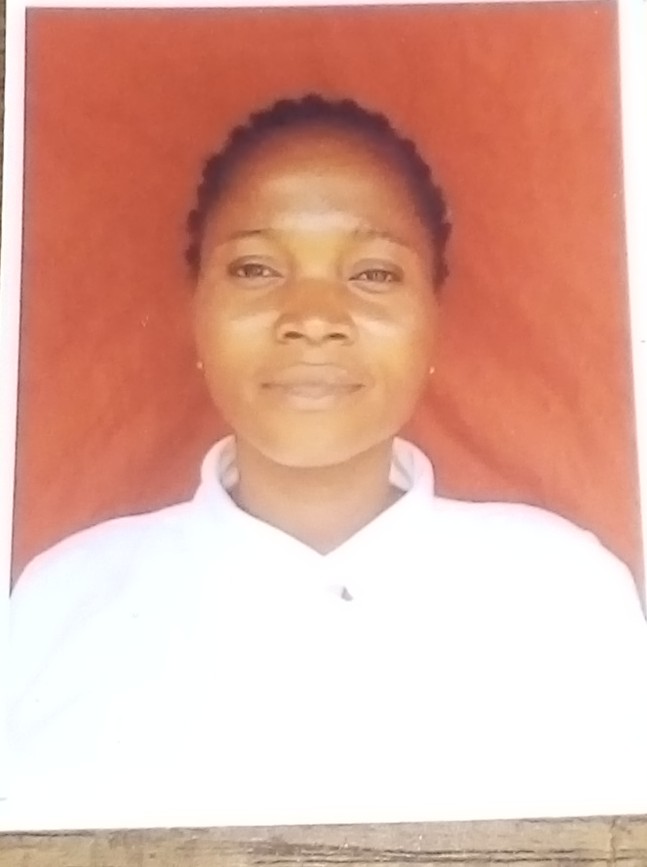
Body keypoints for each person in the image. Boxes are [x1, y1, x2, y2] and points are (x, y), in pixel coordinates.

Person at [3, 94, 647, 831]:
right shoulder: (60, 603)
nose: (312, 318)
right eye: (255, 268)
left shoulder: (566, 593)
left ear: (432, 318)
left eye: (373, 274)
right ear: (196, 309)